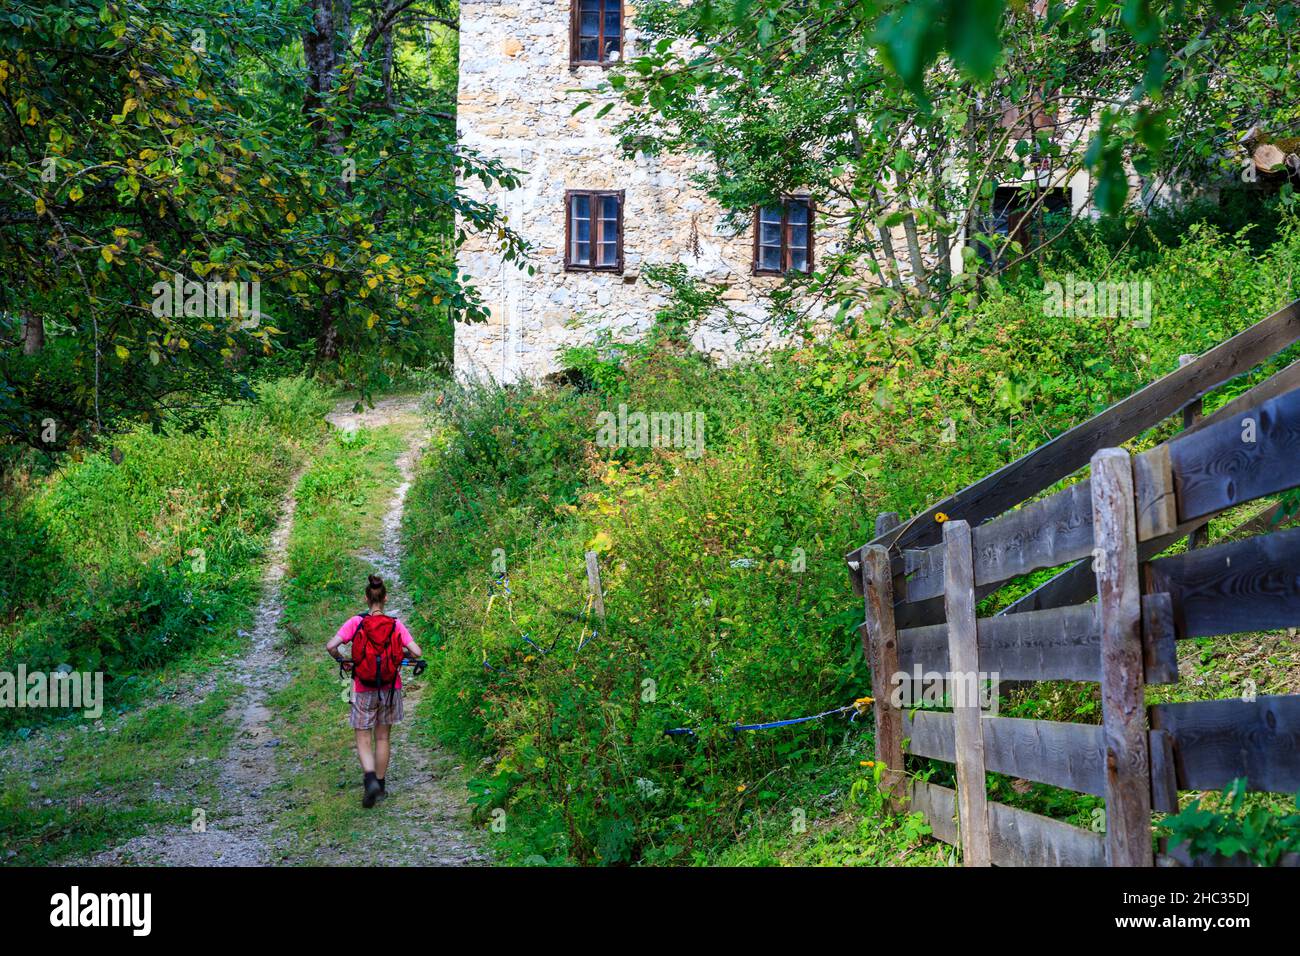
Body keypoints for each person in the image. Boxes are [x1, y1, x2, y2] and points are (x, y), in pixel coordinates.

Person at [326, 574, 422, 808]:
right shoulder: (395, 624)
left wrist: (343, 660)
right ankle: (380, 784)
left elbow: (331, 646)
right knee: (382, 736)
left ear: (366, 598)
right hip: (389, 689)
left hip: (362, 686)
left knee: (363, 736)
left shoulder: (355, 623)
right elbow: (417, 652)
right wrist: (403, 654)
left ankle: (369, 778)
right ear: (385, 598)